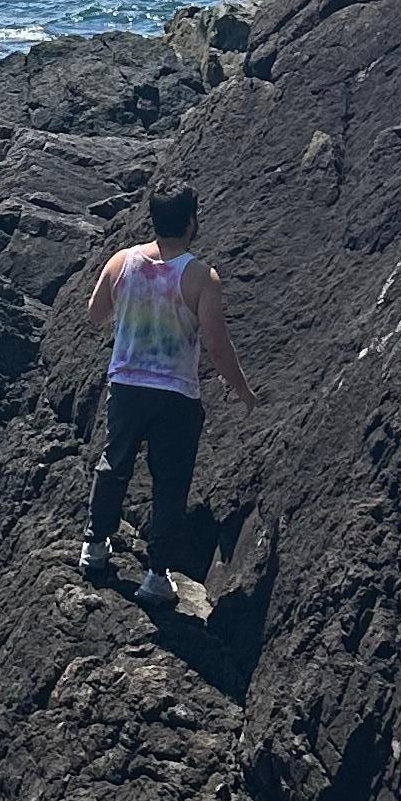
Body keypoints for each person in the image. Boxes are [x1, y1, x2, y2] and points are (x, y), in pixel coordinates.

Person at [80, 181, 254, 607]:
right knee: (170, 484)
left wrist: (134, 316)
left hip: (126, 385)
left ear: (153, 219)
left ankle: (95, 546)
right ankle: (157, 576)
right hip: (175, 394)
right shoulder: (200, 277)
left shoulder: (121, 262)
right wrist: (243, 391)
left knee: (114, 464)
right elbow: (217, 346)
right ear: (191, 221)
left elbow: (95, 314)